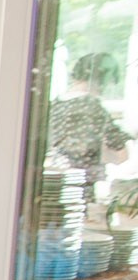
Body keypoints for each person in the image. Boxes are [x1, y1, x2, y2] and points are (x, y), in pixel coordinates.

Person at [49, 52, 130, 188]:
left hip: (57, 181)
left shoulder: (56, 104)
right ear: (102, 79)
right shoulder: (91, 106)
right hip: (84, 184)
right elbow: (121, 155)